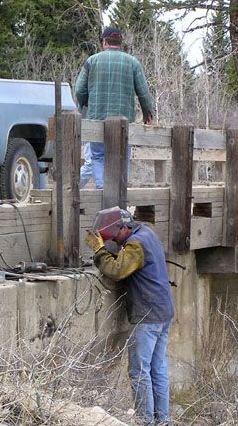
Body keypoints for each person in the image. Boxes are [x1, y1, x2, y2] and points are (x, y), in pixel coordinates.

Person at [85, 206, 174, 424]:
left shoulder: (135, 244)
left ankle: (145, 421)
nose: (114, 243)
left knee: (140, 371)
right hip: (163, 312)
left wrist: (99, 251)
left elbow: (117, 270)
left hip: (148, 316)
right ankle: (162, 422)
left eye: (115, 239)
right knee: (157, 370)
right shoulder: (147, 233)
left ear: (123, 228)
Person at [75, 27, 154, 189]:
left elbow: (79, 89)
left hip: (97, 117)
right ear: (120, 42)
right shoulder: (133, 62)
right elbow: (143, 92)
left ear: (104, 42)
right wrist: (147, 112)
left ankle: (103, 191)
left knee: (97, 157)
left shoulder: (92, 61)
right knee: (122, 156)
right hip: (123, 121)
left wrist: (85, 105)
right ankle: (120, 194)